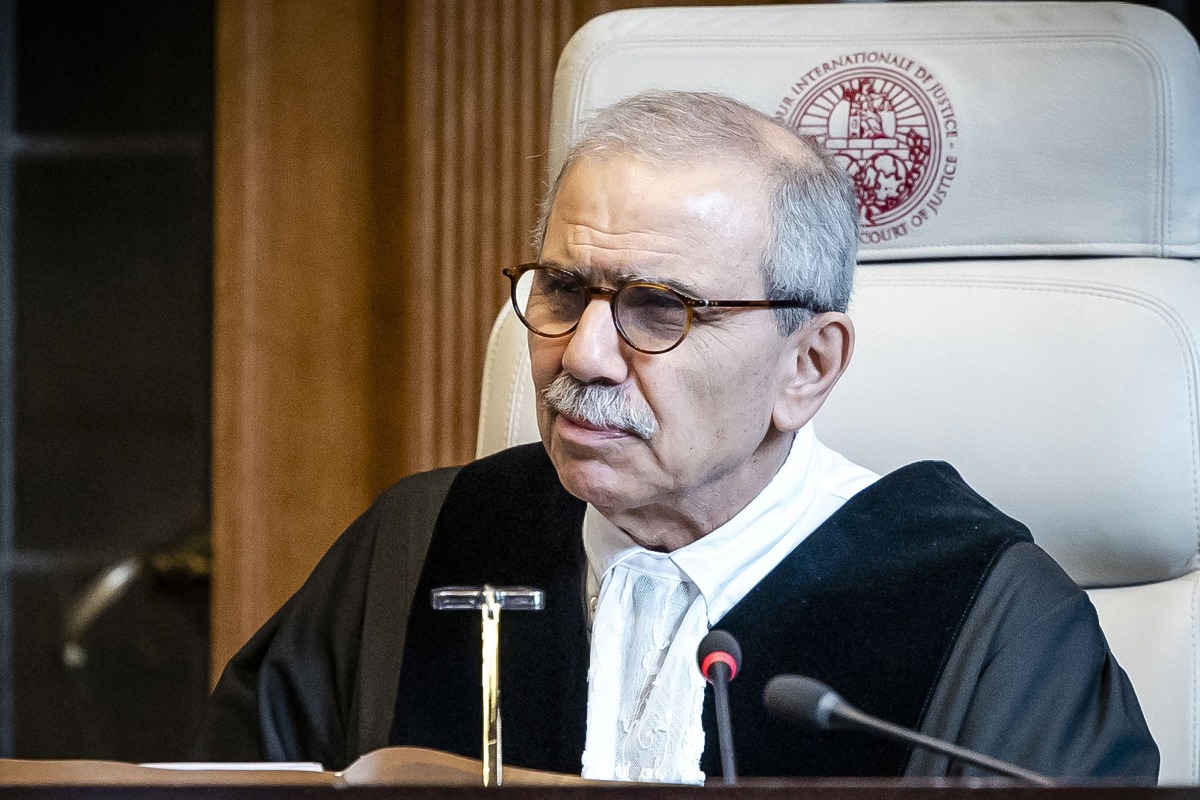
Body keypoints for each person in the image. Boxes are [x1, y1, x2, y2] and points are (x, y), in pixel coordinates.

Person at [193, 90, 1159, 782]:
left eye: (661, 310)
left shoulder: (988, 611)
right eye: (565, 290)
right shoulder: (420, 546)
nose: (586, 356)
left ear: (807, 366)